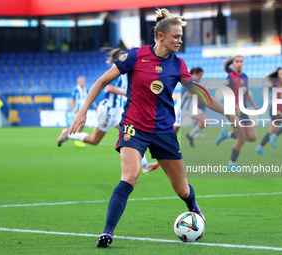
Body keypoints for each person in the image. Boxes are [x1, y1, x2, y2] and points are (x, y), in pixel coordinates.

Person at [68, 8, 239, 248]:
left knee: (181, 188)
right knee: (130, 176)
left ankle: (193, 207)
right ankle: (107, 232)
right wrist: (83, 110)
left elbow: (200, 93)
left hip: (163, 131)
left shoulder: (179, 65)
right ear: (161, 36)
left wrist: (229, 112)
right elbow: (102, 81)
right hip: (133, 127)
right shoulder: (136, 56)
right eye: (176, 36)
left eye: (181, 36)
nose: (180, 40)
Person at [57, 49, 159, 173]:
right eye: (123, 57)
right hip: (108, 110)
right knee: (94, 140)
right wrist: (125, 93)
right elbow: (109, 87)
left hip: (117, 112)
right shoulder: (117, 70)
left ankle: (145, 165)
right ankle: (67, 134)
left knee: (132, 134)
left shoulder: (127, 72)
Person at [215, 56, 258, 169]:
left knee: (253, 137)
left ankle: (227, 134)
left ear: (243, 63)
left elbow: (246, 94)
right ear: (233, 64)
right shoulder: (230, 78)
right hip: (232, 111)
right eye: (236, 61)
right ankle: (231, 164)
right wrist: (236, 107)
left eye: (241, 61)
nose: (239, 63)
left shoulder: (245, 77)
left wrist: (254, 105)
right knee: (241, 139)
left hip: (243, 110)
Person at [185, 67, 208, 147]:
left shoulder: (194, 83)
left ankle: (190, 134)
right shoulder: (189, 81)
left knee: (205, 121)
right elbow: (190, 95)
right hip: (186, 108)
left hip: (192, 107)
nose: (201, 77)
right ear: (195, 74)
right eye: (200, 75)